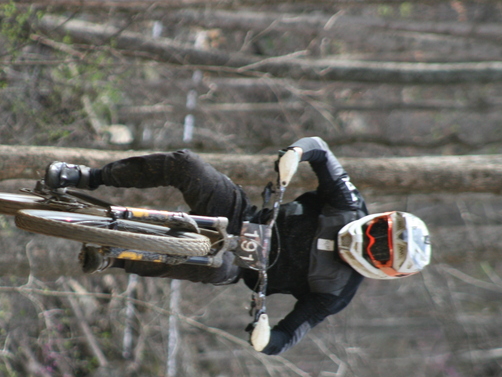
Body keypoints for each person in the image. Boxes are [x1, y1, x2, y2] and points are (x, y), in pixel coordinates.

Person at [44, 137, 431, 355]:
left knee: (216, 263)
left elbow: (289, 335)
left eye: (382, 250)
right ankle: (87, 176)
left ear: (385, 270)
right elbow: (321, 149)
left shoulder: (337, 293)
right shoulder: (348, 205)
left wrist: (265, 337)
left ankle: (114, 256)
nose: (371, 240)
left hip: (243, 269)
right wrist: (295, 155)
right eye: (380, 230)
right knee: (187, 164)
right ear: (381, 217)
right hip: (242, 216)